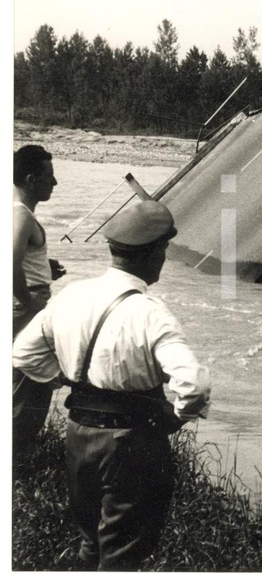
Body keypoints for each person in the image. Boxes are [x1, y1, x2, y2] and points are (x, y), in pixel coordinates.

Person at [13, 200, 211, 570]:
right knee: (124, 553)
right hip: (132, 442)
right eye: (164, 251)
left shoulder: (71, 295)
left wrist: (64, 378)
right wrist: (178, 416)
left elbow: (22, 353)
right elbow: (194, 384)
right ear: (154, 253)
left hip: (79, 434)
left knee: (91, 542)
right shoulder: (150, 311)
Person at [12, 144, 64, 452]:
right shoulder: (23, 217)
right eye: (50, 176)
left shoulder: (12, 211)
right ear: (31, 179)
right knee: (32, 380)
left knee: (19, 377)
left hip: (20, 301)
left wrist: (45, 267)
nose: (54, 183)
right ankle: (17, 457)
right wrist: (30, 304)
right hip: (25, 305)